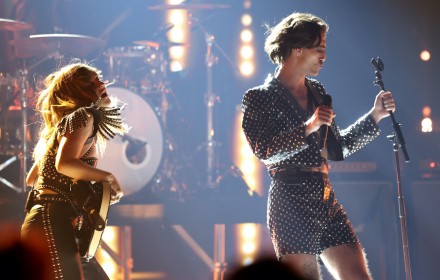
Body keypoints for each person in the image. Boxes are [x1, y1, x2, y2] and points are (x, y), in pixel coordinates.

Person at [241, 12, 395, 280]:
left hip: (324, 198)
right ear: (297, 48)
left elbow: (339, 148)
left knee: (358, 276)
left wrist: (375, 116)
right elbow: (264, 150)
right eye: (319, 49)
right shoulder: (259, 97)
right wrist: (307, 128)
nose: (324, 56)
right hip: (290, 200)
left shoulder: (318, 92)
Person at [21, 61, 128, 279]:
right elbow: (64, 164)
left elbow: (32, 179)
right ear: (79, 89)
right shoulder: (83, 116)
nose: (102, 83)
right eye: (93, 80)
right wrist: (107, 178)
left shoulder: (60, 128)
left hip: (47, 220)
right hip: (52, 220)